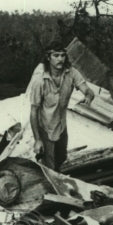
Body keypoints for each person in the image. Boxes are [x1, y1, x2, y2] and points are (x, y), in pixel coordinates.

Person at [27, 38, 95, 170]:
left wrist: (88, 96)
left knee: (62, 160)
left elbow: (87, 90)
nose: (60, 59)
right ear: (48, 57)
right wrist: (37, 139)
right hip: (45, 128)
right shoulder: (39, 80)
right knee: (50, 167)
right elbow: (34, 111)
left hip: (61, 126)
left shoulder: (71, 73)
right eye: (56, 55)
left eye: (63, 55)